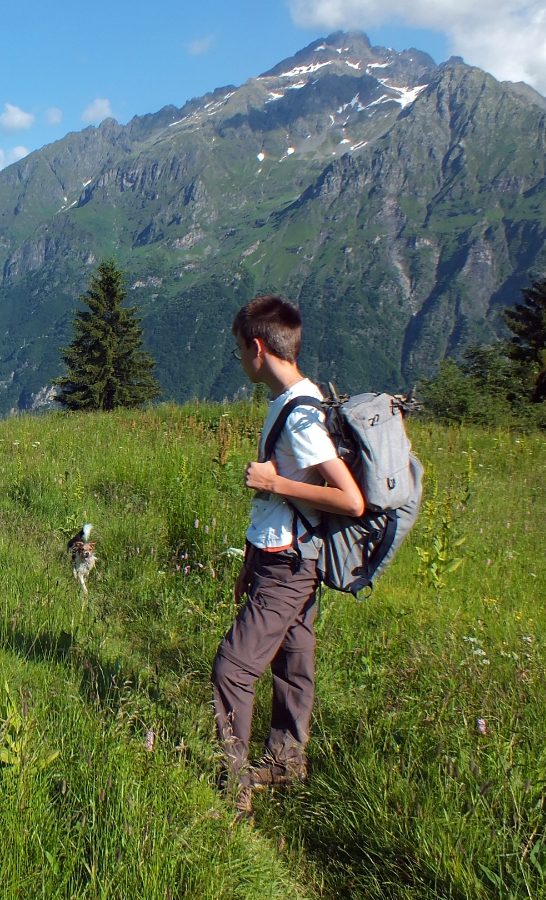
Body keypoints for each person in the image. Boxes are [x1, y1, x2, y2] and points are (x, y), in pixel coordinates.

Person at [213, 295, 364, 823]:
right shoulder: (299, 398)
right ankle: (285, 762)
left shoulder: (299, 416)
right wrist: (248, 562)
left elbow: (350, 500)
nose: (238, 360)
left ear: (258, 348)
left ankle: (232, 796)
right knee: (294, 661)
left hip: (289, 565)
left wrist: (273, 481)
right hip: (288, 558)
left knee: (233, 667)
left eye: (239, 351)